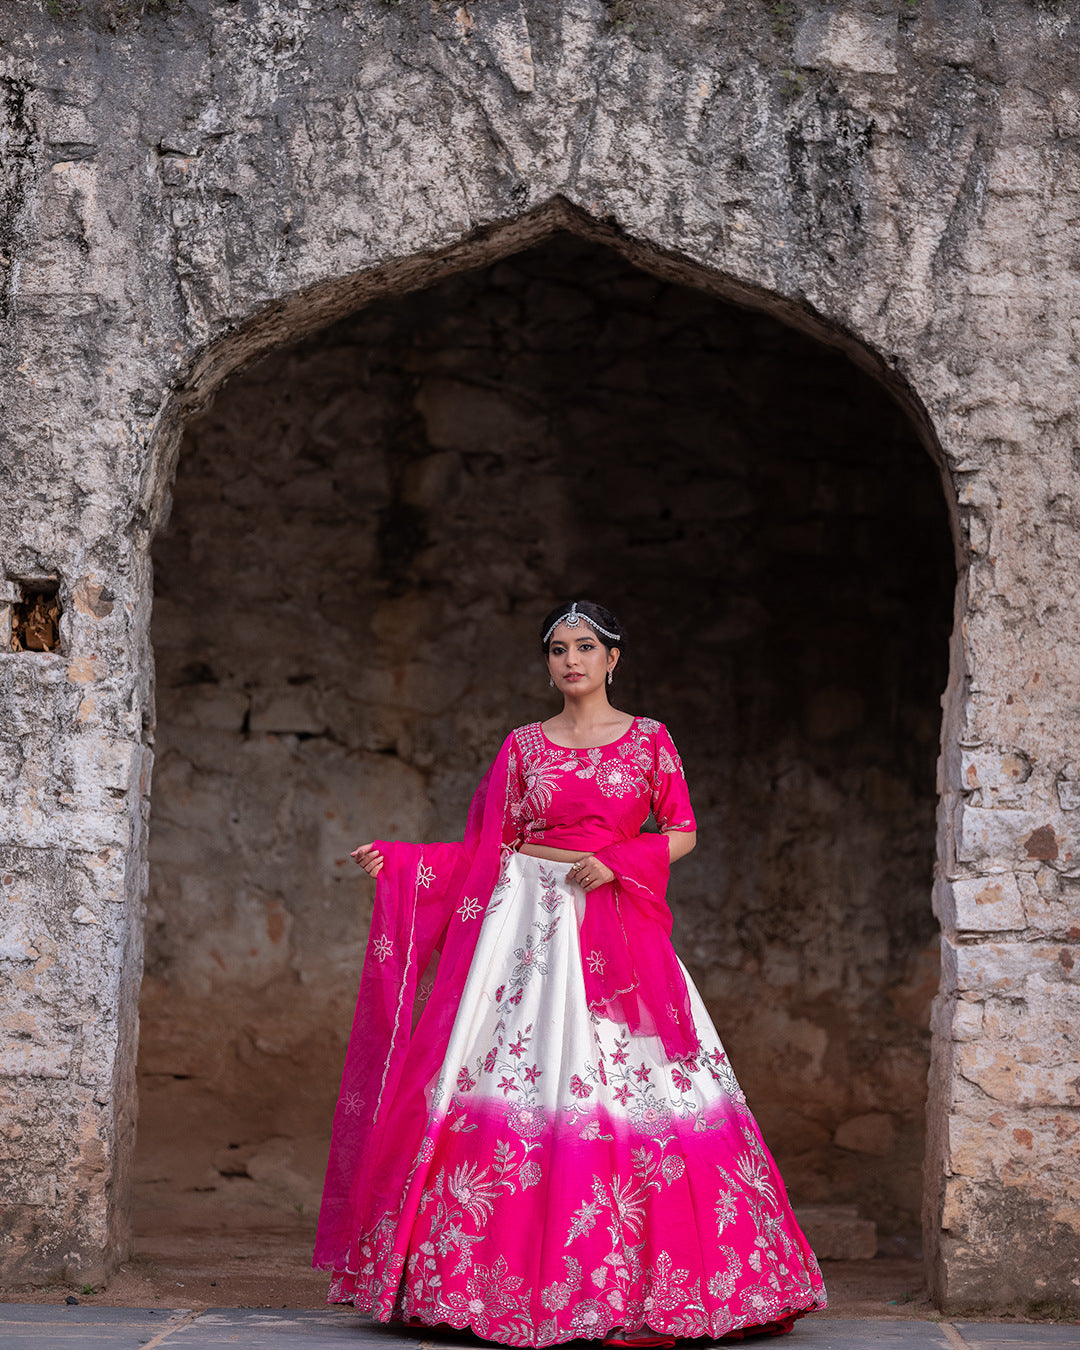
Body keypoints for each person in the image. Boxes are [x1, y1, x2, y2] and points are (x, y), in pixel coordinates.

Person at [314, 601, 826, 1344]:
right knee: (512, 1072)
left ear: (614, 657)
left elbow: (680, 832)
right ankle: (482, 1285)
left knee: (641, 1082)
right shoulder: (523, 746)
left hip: (614, 919)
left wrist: (618, 861)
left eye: (585, 647)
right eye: (557, 650)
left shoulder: (650, 740)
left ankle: (664, 1286)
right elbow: (490, 848)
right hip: (526, 925)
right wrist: (403, 862)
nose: (571, 661)